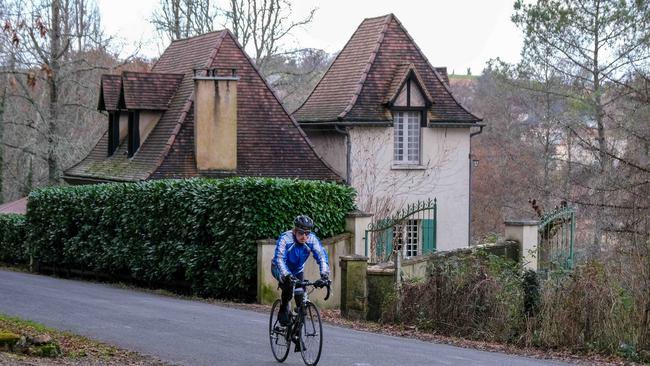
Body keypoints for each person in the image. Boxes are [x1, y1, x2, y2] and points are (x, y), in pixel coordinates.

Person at [271, 215, 330, 328]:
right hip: (279, 268)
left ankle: (297, 334)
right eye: (301, 233)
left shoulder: (311, 239)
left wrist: (324, 274)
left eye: (307, 233)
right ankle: (283, 308)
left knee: (300, 296)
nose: (304, 236)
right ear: (294, 231)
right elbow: (279, 258)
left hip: (298, 270)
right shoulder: (285, 238)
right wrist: (286, 274)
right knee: (288, 286)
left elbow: (321, 256)